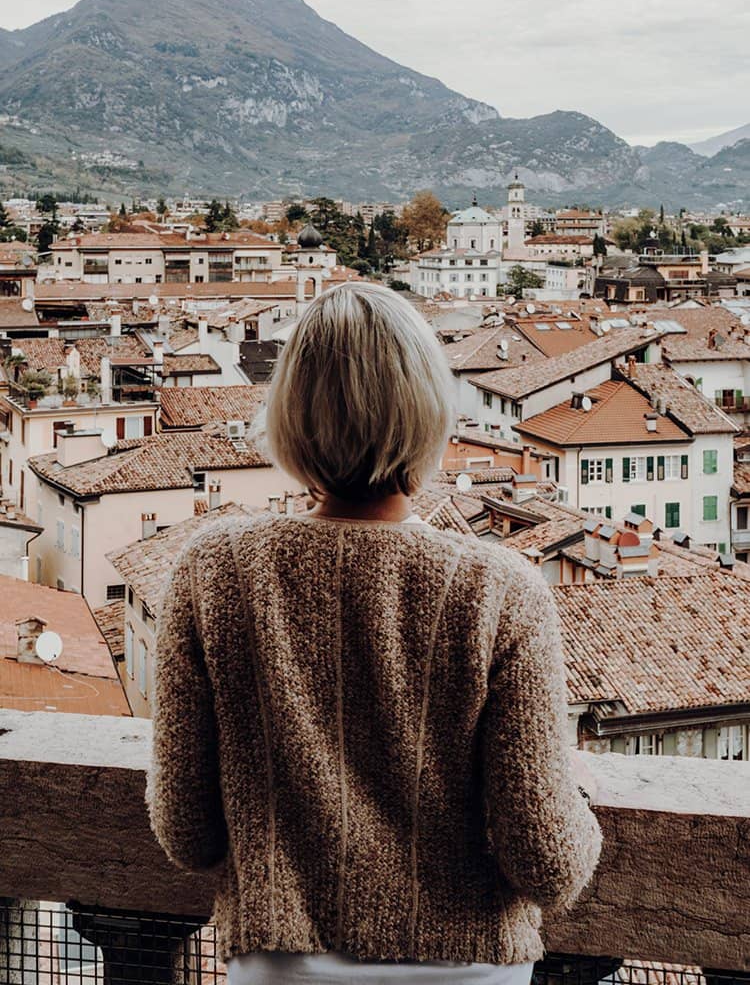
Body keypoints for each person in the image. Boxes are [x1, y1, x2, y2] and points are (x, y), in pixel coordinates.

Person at [146, 281, 602, 985]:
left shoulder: (213, 571)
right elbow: (545, 861)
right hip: (466, 967)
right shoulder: (500, 589)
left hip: (282, 965)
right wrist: (584, 811)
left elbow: (187, 832)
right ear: (430, 412)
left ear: (289, 413)